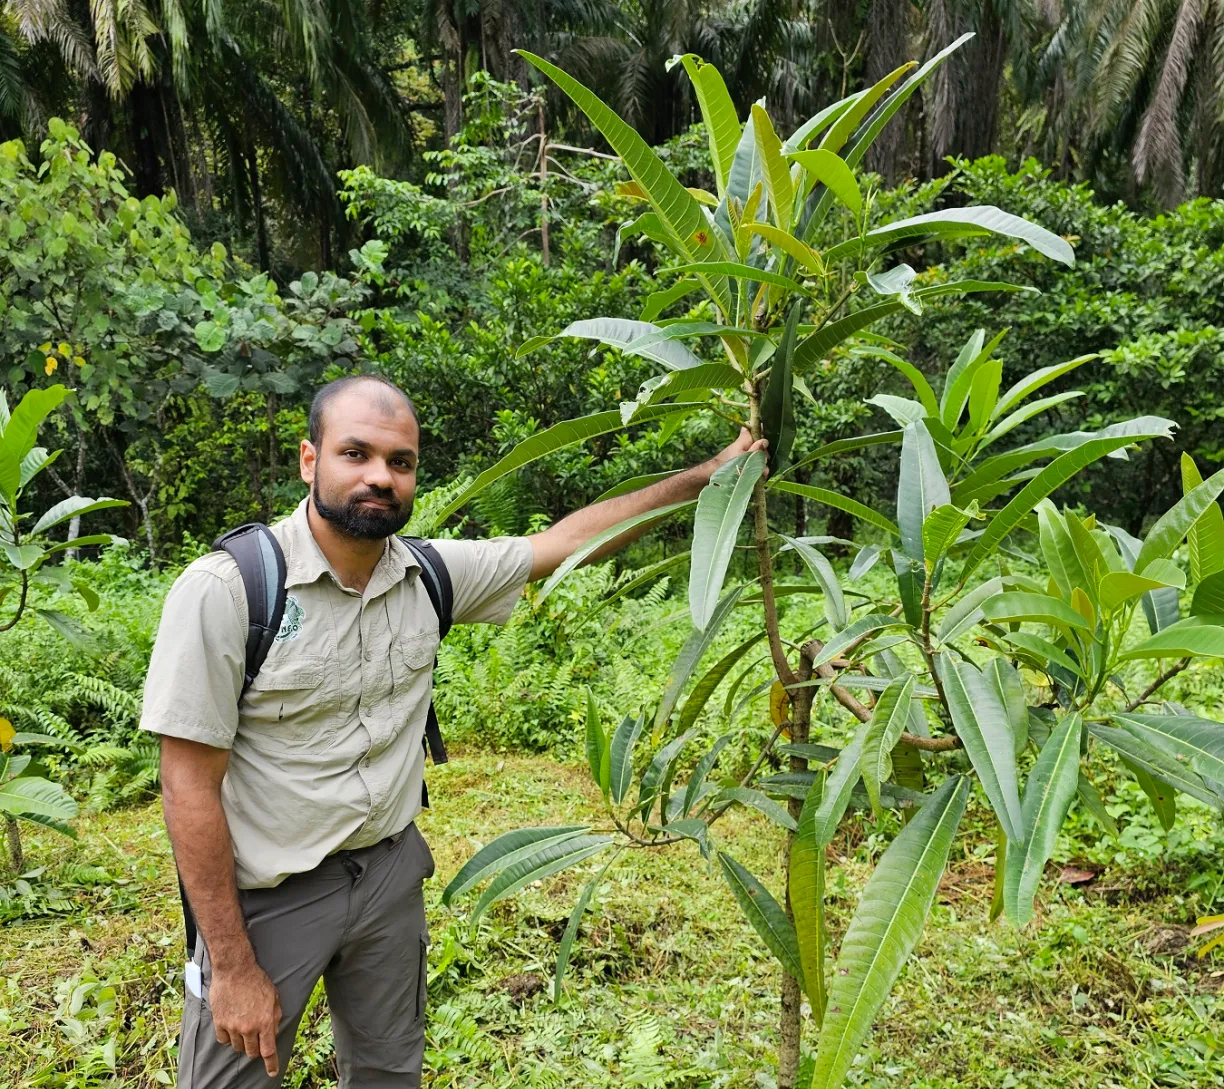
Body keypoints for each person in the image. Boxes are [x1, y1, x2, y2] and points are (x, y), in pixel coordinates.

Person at [140, 373, 765, 1088]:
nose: (380, 476)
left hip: (388, 876)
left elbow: (564, 543)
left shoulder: (428, 574)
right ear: (310, 461)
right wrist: (232, 963)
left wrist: (703, 479)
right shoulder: (230, 589)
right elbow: (187, 784)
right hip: (267, 900)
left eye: (399, 462)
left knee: (388, 1072)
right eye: (357, 453)